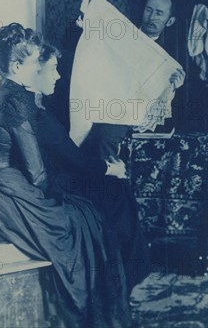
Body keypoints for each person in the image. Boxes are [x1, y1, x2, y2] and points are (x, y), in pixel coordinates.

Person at [0, 23, 131, 328]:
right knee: (83, 219)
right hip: (6, 195)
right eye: (35, 60)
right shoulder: (17, 101)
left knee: (78, 213)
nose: (38, 65)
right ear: (17, 65)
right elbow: (37, 172)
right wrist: (51, 200)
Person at [31, 41, 150, 294]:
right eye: (52, 69)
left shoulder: (37, 108)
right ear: (34, 71)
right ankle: (120, 281)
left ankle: (123, 276)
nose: (59, 76)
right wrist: (111, 169)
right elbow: (74, 158)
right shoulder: (39, 115)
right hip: (55, 187)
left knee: (116, 191)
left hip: (58, 177)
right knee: (116, 191)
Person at [81, 0, 186, 160]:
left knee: (106, 137)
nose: (151, 17)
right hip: (106, 103)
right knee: (89, 135)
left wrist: (174, 86)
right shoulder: (121, 37)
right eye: (148, 10)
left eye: (159, 13)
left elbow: (166, 102)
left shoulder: (169, 58)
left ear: (170, 21)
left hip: (139, 114)